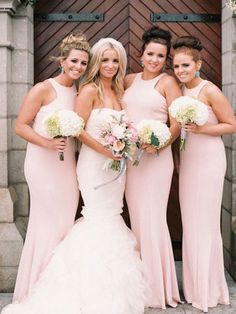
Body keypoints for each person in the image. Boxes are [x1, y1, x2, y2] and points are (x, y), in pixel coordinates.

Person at [1, 38, 146, 314]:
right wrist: (103, 148)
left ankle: (105, 282)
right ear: (62, 60)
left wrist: (125, 141)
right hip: (78, 164)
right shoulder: (80, 90)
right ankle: (47, 286)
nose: (110, 65)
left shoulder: (111, 90)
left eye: (115, 60)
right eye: (104, 59)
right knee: (81, 218)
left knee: (78, 220)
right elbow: (73, 129)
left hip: (105, 166)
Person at [12, 33, 90, 302]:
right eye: (74, 61)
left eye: (83, 63)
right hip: (42, 165)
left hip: (66, 166)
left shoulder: (79, 93)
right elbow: (20, 125)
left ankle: (58, 289)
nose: (78, 67)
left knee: (64, 224)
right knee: (44, 224)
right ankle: (34, 290)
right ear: (62, 60)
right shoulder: (44, 89)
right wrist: (46, 143)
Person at [172, 35, 236, 312]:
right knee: (191, 222)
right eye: (176, 67)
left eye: (186, 65)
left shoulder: (209, 91)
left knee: (207, 222)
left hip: (208, 160)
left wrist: (202, 129)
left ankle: (209, 290)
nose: (181, 71)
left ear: (198, 64)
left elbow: (231, 124)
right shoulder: (179, 92)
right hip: (188, 161)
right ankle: (194, 287)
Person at [122, 25, 182, 309]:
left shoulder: (168, 83)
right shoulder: (128, 80)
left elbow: (177, 123)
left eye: (160, 56)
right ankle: (137, 287)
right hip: (132, 160)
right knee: (136, 220)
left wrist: (159, 143)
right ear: (141, 53)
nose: (155, 60)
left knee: (153, 219)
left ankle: (159, 289)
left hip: (157, 160)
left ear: (165, 58)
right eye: (150, 54)